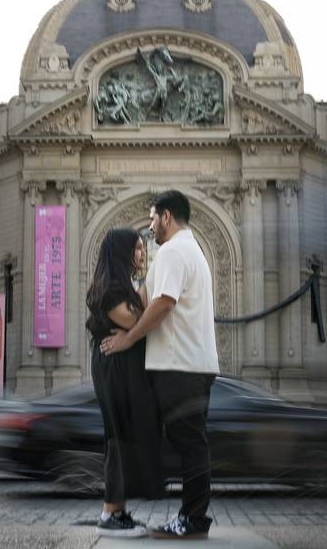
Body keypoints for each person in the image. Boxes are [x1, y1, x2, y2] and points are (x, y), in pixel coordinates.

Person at [100, 190, 219, 540]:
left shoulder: (171, 251)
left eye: (152, 218)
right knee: (192, 444)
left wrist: (130, 338)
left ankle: (193, 520)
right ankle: (192, 518)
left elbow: (164, 302)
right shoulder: (190, 250)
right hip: (192, 364)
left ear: (166, 217)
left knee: (191, 446)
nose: (150, 226)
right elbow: (148, 297)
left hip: (179, 366)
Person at [86, 228, 164, 538]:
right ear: (121, 252)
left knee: (126, 434)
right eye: (137, 249)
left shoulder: (121, 285)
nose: (142, 254)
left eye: (143, 249)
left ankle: (118, 510)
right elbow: (134, 319)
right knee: (118, 435)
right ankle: (109, 511)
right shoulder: (108, 288)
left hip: (122, 368)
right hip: (114, 368)